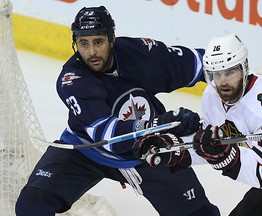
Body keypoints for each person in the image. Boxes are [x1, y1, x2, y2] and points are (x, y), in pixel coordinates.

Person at [15, 6, 221, 216]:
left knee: (200, 214)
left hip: (149, 149)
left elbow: (203, 64)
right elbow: (109, 137)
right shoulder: (73, 81)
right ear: (75, 44)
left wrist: (239, 87)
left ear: (112, 39)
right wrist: (158, 124)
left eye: (98, 42)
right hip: (87, 150)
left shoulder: (140, 53)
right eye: (83, 44)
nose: (92, 52)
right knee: (31, 206)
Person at [134, 33, 262, 216]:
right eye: (216, 73)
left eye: (230, 72)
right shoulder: (212, 96)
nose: (222, 82)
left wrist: (224, 157)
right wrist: (173, 149)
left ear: (245, 67)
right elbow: (207, 145)